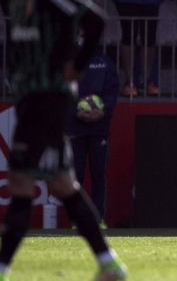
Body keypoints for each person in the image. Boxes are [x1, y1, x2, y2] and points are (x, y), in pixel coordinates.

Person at [0, 0, 126, 281]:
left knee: (20, 180)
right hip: (31, 98)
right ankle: (109, 263)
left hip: (49, 98)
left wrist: (75, 66)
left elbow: (96, 21)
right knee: (62, 184)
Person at [68, 36, 119, 223]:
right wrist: (75, 112)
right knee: (77, 176)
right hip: (75, 128)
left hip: (99, 128)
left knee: (98, 174)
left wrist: (103, 111)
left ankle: (98, 219)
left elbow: (112, 91)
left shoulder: (105, 63)